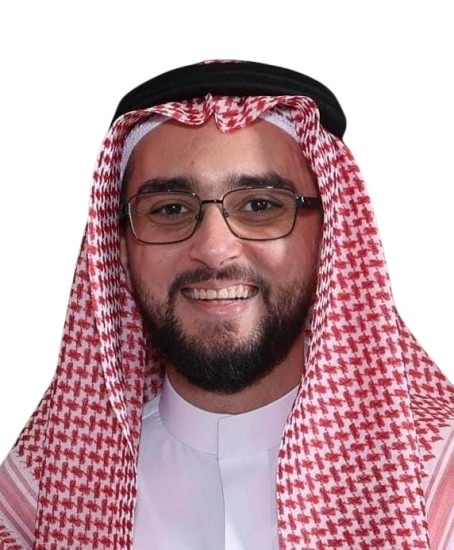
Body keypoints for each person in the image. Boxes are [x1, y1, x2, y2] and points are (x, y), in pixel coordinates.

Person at [0, 60, 452, 550]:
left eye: (260, 205)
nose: (214, 249)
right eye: (170, 209)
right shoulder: (41, 502)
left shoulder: (437, 488)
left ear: (331, 236)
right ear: (120, 249)